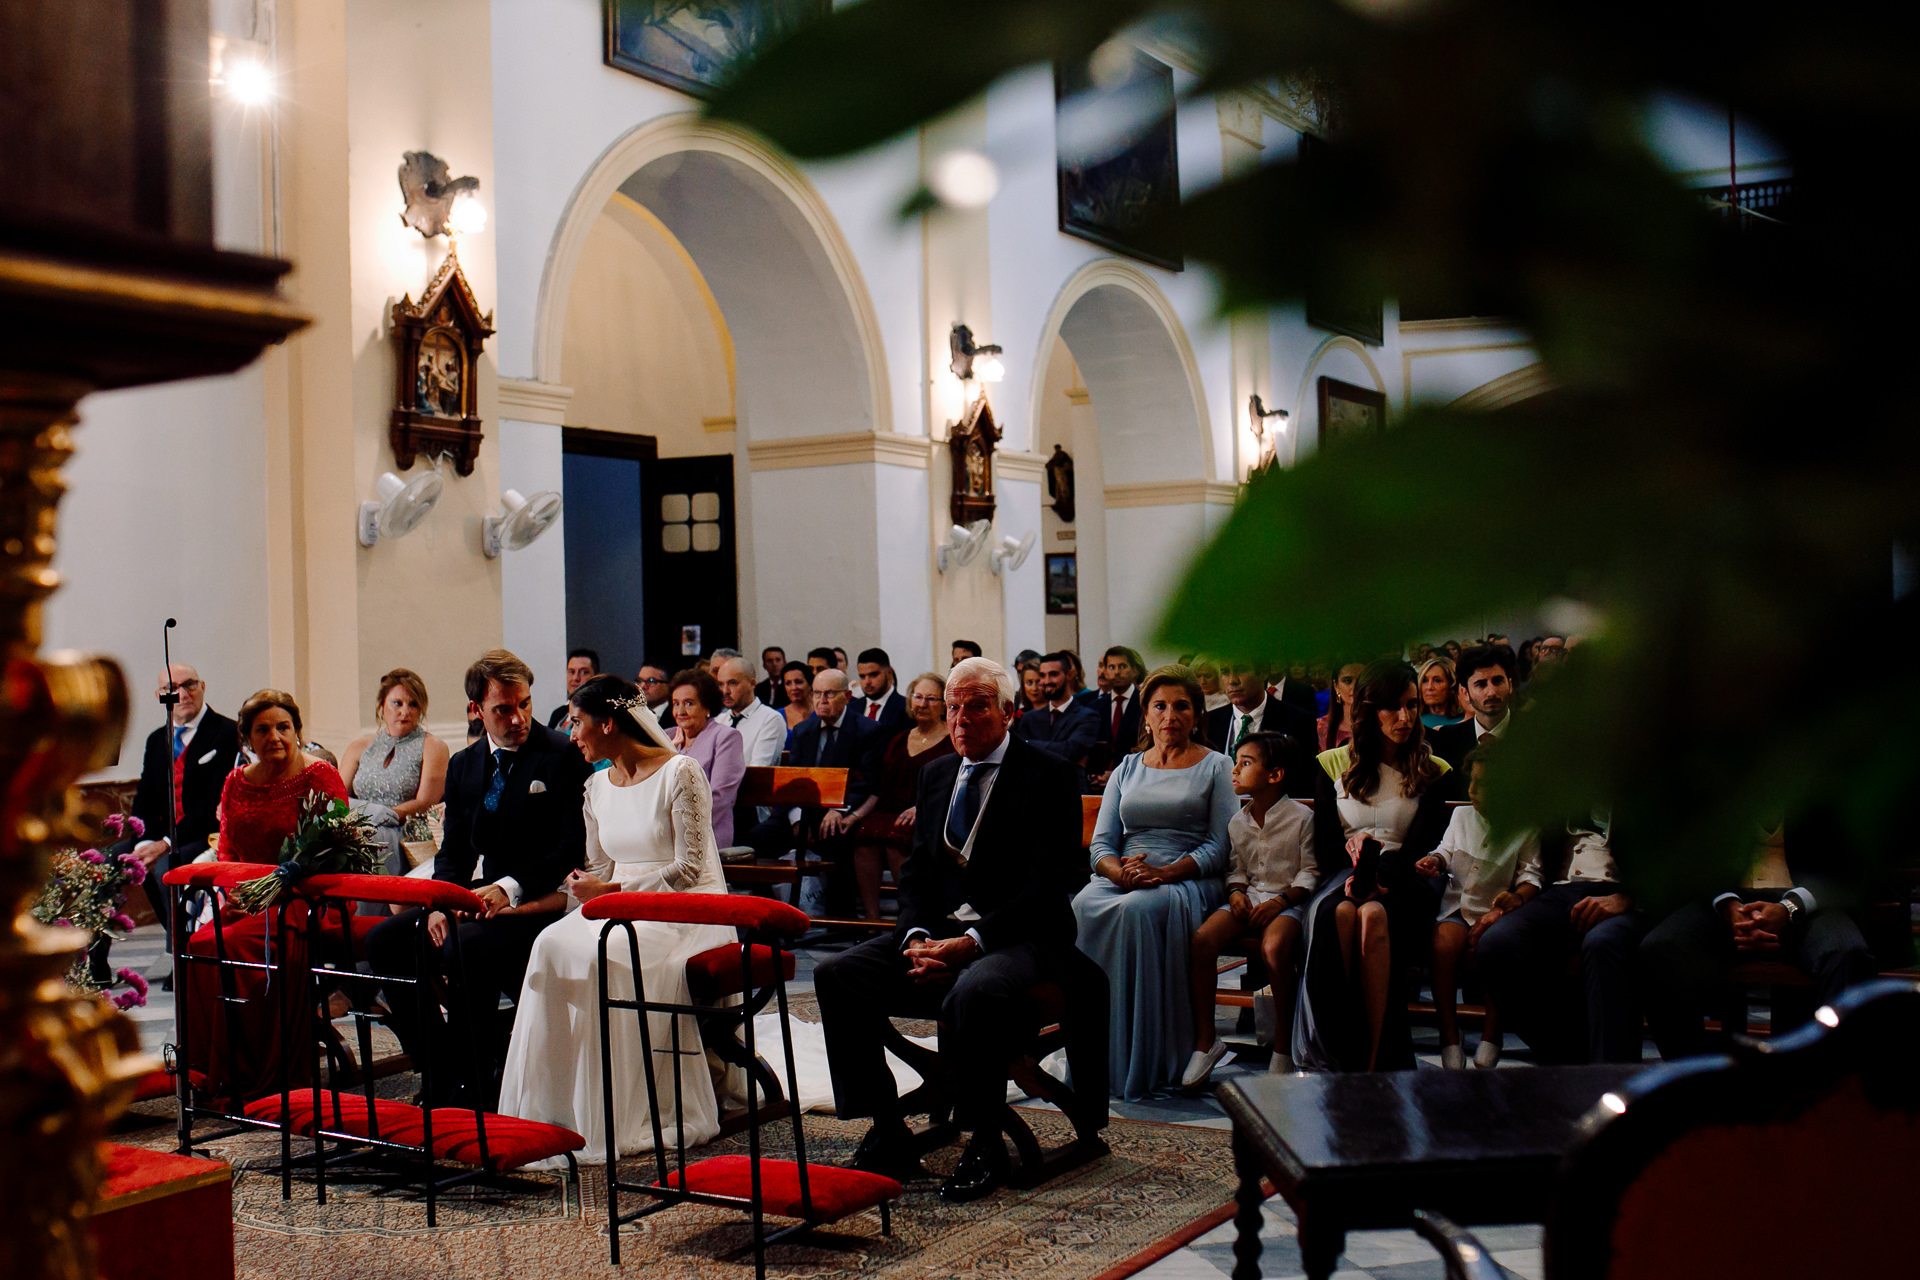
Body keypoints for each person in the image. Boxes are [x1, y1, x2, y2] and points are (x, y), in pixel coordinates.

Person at [814, 657, 1107, 1202]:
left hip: (1028, 936)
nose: (962, 719)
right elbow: (920, 871)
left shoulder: (1049, 775)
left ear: (1009, 712)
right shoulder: (936, 773)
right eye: (953, 707)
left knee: (976, 988)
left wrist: (971, 943)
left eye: (977, 706)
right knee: (837, 973)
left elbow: (1049, 884)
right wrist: (915, 938)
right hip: (942, 930)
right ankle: (887, 1127)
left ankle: (985, 1140)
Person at [498, 675, 737, 1162]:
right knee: (550, 944)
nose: (572, 734)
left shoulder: (680, 771)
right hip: (616, 903)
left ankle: (617, 1108)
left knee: (608, 953)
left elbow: (689, 867)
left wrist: (614, 891)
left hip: (681, 911)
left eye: (578, 722)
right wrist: (581, 886)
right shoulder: (596, 786)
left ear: (608, 724)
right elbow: (600, 869)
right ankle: (556, 1105)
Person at [367, 649, 592, 1105]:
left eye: (524, 704)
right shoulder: (464, 765)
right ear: (476, 710)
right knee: (384, 942)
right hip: (478, 899)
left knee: (461, 946)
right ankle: (438, 1065)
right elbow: (454, 852)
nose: (518, 718)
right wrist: (438, 902)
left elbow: (569, 849)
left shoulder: (560, 756)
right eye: (503, 709)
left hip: (539, 902)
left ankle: (475, 1078)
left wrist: (508, 889)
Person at [1071, 666, 1239, 1099]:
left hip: (1187, 878)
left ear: (1197, 715)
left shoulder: (1217, 766)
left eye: (1181, 706)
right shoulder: (1127, 768)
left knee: (1136, 911)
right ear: (1145, 714)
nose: (1171, 716)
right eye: (1160, 706)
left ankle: (1147, 1053)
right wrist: (1119, 872)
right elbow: (1102, 844)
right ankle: (1095, 1051)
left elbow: (1220, 846)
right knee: (1082, 906)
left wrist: (1164, 873)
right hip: (1128, 876)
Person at [180, 689, 348, 1101]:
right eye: (263, 729)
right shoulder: (236, 782)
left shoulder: (318, 775)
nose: (274, 736)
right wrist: (232, 893)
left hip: (306, 899)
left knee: (235, 944)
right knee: (200, 943)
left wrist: (277, 889)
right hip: (248, 900)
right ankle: (210, 1072)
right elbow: (227, 851)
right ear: (247, 739)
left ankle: (256, 1076)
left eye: (283, 727)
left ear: (297, 731)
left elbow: (335, 850)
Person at [1294, 661, 1454, 1073]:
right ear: (1367, 709)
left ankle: (1378, 1060)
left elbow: (1423, 846)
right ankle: (1344, 1050)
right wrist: (1354, 848)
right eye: (1391, 707)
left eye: (1412, 705)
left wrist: (1382, 878)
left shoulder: (1432, 768)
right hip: (1344, 873)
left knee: (1373, 914)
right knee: (1344, 911)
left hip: (1409, 880)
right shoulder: (1331, 764)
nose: (1405, 718)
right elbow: (1325, 846)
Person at [1637, 807, 1878, 1061]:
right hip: (1725, 903)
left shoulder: (1822, 772)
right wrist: (1729, 904)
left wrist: (1789, 907)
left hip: (1809, 903)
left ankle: (1825, 1081)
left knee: (1846, 952)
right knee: (1660, 949)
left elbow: (1850, 863)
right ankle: (1692, 1075)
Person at [1185, 732, 1317, 1083]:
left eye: (1246, 763)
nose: (1235, 771)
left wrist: (1282, 901)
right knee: (1202, 941)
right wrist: (1236, 892)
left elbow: (1310, 871)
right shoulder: (1237, 821)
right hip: (1251, 898)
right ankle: (1205, 1040)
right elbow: (1236, 868)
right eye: (1236, 762)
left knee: (1274, 948)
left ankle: (1283, 1048)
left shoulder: (1301, 817)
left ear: (1274, 775)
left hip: (1289, 902)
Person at [1474, 810, 1645, 1064]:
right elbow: (1536, 865)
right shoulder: (1564, 785)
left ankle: (1609, 1075)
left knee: (1602, 943)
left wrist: (1629, 897)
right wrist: (1518, 898)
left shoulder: (1645, 782)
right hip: (1563, 889)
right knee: (1497, 944)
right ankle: (1562, 1056)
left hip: (1626, 892)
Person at [1412, 745, 1542, 1068]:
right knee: (1443, 944)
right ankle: (1449, 1035)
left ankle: (1491, 1033)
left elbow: (1532, 874)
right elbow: (1446, 849)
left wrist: (1516, 897)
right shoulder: (1461, 815)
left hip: (1494, 909)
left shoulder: (1525, 824)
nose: (1474, 791)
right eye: (1472, 783)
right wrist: (1435, 861)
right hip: (1458, 905)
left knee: (1492, 948)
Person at [125, 663, 241, 954]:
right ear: (160, 696)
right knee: (106, 863)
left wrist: (163, 846)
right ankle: (96, 962)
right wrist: (144, 841)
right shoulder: (156, 740)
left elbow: (212, 804)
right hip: (161, 837)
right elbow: (144, 798)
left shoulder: (227, 733)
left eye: (190, 684)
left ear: (202, 687)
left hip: (204, 834)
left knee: (167, 869)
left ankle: (182, 955)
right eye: (172, 688)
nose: (183, 693)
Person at [850, 673, 956, 920]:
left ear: (943, 705)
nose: (922, 704)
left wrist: (922, 808)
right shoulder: (899, 739)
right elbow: (879, 789)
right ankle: (872, 920)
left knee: (897, 836)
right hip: (892, 810)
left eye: (931, 699)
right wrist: (855, 816)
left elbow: (955, 786)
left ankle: (911, 917)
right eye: (917, 697)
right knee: (864, 833)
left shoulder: (952, 740)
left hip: (933, 815)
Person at [339, 668, 450, 878]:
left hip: (402, 833)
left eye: (413, 704)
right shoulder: (358, 746)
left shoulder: (433, 746)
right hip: (356, 831)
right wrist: (360, 823)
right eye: (397, 703)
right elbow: (338, 796)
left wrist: (381, 817)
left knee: (378, 837)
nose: (405, 711)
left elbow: (425, 802)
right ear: (382, 706)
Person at [1204, 660, 1318, 792]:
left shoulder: (1299, 720)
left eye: (1241, 670)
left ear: (1263, 672)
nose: (1232, 681)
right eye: (1225, 672)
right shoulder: (1208, 721)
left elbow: (1305, 781)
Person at [666, 668, 745, 847]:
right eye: (676, 703)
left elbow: (720, 797)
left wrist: (678, 828)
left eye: (689, 703)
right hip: (663, 831)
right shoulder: (666, 737)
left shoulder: (726, 737)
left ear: (707, 706)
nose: (680, 711)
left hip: (706, 833)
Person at [1011, 651, 1102, 783]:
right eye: (1043, 675)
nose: (1047, 681)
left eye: (1053, 675)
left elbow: (1071, 751)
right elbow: (1018, 753)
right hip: (1034, 788)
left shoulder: (1087, 717)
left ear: (1069, 675)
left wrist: (1027, 744)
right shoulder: (1029, 718)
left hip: (1071, 789)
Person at [1427, 643, 1515, 767]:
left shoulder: (1537, 733)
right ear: (1465, 692)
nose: (1491, 692)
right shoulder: (1447, 740)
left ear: (1510, 685)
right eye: (1480, 684)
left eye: (1498, 681)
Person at [1088, 645, 1144, 786]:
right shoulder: (1095, 706)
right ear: (1105, 672)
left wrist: (1116, 774)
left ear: (1135, 670)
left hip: (1134, 779)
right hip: (1098, 782)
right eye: (1112, 667)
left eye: (1123, 666)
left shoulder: (1145, 704)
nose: (1117, 672)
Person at [852, 646, 910, 738]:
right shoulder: (852, 709)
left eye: (873, 675)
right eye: (862, 676)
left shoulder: (907, 709)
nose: (867, 682)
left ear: (889, 673)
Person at [1315, 662, 1365, 751]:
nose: (1354, 686)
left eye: (1361, 680)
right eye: (1348, 681)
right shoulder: (1319, 728)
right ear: (1336, 686)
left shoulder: (1384, 725)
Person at [546, 648, 599, 729]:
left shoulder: (600, 715)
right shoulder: (558, 713)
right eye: (571, 672)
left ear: (596, 677)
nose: (575, 678)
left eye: (584, 672)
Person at [1416, 655, 1465, 729]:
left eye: (1437, 681)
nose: (1429, 687)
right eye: (1425, 681)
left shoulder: (1466, 721)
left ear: (1452, 685)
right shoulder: (1414, 721)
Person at [778, 661, 815, 735]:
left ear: (810, 684)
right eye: (788, 683)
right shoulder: (777, 716)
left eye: (798, 682)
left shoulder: (821, 712)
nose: (794, 688)